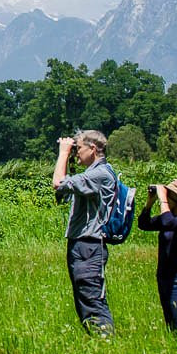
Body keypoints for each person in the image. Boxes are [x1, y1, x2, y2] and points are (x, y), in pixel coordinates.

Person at [52, 130, 117, 336]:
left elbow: (59, 184)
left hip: (90, 245)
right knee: (83, 295)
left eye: (78, 148)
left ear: (93, 149)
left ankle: (104, 338)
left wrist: (63, 153)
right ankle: (96, 337)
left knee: (91, 296)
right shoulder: (92, 173)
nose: (75, 152)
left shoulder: (100, 174)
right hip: (83, 244)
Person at [137, 179, 177, 331]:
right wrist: (150, 203)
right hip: (165, 280)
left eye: (169, 195)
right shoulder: (170, 218)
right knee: (172, 329)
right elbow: (143, 224)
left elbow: (169, 223)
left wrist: (163, 199)